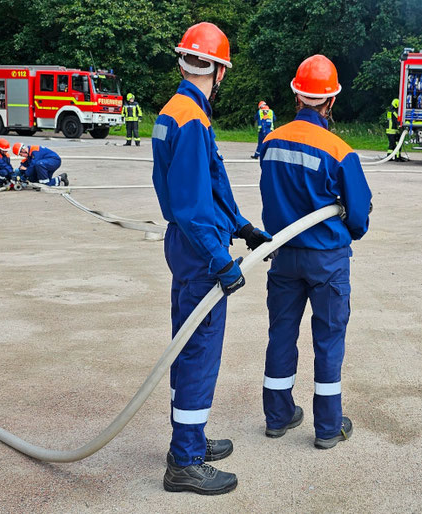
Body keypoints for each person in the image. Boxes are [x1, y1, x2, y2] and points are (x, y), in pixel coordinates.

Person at [151, 21, 271, 496]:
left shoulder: (176, 111)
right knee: (199, 351)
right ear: (218, 70)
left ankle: (191, 437)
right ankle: (185, 461)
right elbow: (192, 202)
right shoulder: (192, 120)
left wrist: (240, 225)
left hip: (187, 243)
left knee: (187, 344)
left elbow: (211, 183)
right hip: (199, 249)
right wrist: (220, 257)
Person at [258, 55, 372, 451]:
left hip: (283, 254)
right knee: (328, 340)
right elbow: (359, 214)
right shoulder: (340, 150)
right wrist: (349, 227)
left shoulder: (270, 141)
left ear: (296, 95)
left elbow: (269, 195)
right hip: (326, 259)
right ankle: (327, 427)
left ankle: (277, 416)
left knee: (281, 335)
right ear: (331, 102)